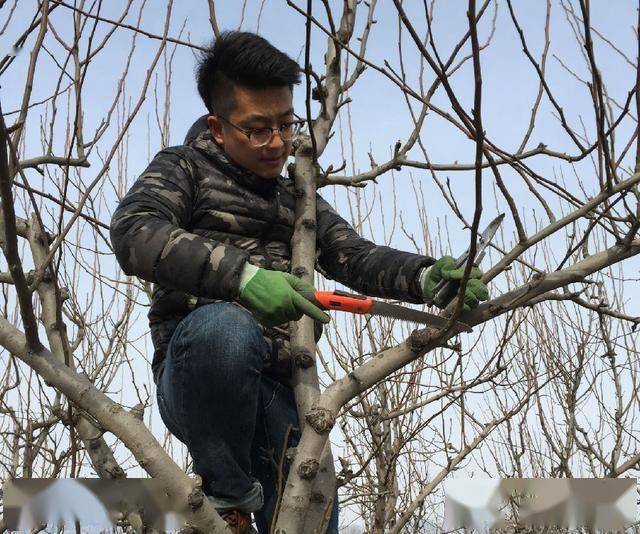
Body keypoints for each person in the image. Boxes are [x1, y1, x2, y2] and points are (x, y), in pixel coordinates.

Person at [109, 31, 488, 534]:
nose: (278, 143)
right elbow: (135, 230)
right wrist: (241, 277)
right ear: (219, 128)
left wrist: (425, 276)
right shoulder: (184, 168)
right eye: (258, 129)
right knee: (226, 327)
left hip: (287, 395)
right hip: (203, 377)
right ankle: (226, 500)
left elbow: (355, 256)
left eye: (286, 124)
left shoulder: (297, 198)